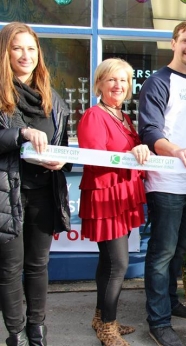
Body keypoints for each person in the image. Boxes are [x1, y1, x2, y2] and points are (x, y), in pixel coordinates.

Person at [138, 20, 186, 346]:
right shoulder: (157, 82)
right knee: (161, 254)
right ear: (173, 43)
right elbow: (151, 132)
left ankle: (169, 302)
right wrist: (177, 150)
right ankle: (158, 321)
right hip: (166, 183)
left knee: (178, 251)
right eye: (185, 41)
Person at [0, 22, 71, 346]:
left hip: (44, 191)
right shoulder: (1, 94)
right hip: (7, 193)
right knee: (10, 268)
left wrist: (62, 161)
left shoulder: (52, 99)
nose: (25, 55)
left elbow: (64, 147)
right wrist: (21, 134)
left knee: (38, 265)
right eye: (18, 48)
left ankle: (36, 330)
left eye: (31, 48)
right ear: (6, 52)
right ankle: (15, 333)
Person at [77, 58, 149, 346]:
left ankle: (101, 317)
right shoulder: (94, 116)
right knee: (118, 264)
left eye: (123, 80)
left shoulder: (124, 116)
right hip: (107, 196)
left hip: (123, 195)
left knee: (108, 262)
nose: (118, 85)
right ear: (99, 84)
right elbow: (96, 161)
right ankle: (108, 326)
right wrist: (133, 153)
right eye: (111, 80)